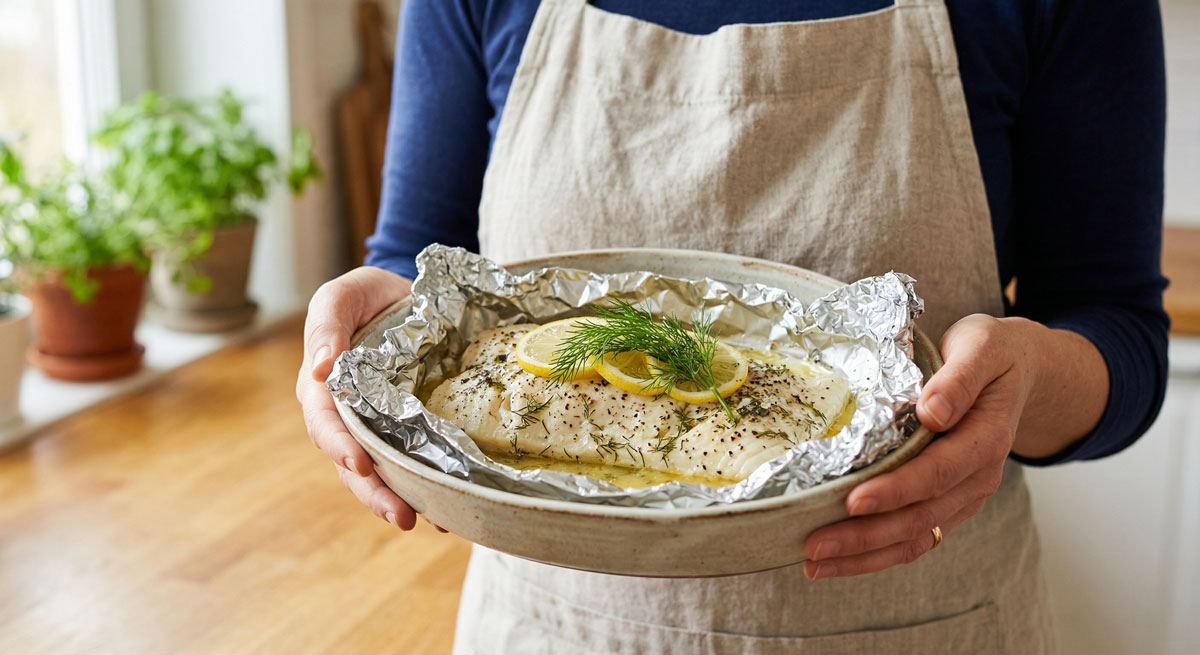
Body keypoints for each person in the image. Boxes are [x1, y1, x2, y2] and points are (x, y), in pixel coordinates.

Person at [296, 0, 1168, 652]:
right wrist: (360, 328)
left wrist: (1025, 380)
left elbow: (1117, 326)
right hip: (558, 624)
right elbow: (417, 264)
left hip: (918, 615)